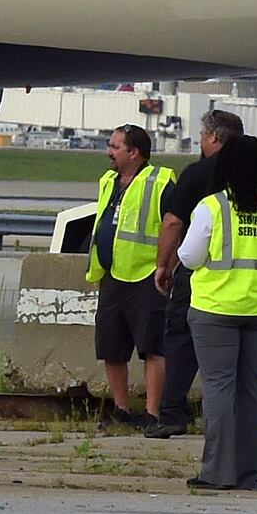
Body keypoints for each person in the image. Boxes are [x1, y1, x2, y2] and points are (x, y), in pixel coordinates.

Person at [171, 132, 257, 491]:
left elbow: (188, 256)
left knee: (219, 388)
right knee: (253, 390)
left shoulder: (213, 206)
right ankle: (249, 474)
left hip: (215, 308)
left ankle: (217, 472)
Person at [141, 109, 243, 439]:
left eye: (202, 135)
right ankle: (236, 416)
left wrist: (163, 265)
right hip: (249, 276)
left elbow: (173, 222)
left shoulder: (199, 173)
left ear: (214, 137)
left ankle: (172, 412)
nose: (200, 140)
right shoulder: (253, 176)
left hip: (200, 270)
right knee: (238, 349)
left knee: (180, 339)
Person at [87, 126, 176, 426]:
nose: (108, 152)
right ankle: (121, 410)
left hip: (146, 275)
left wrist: (167, 266)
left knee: (152, 346)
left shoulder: (160, 181)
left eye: (114, 147)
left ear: (134, 152)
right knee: (111, 346)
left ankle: (152, 413)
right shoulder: (109, 181)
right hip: (112, 273)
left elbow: (175, 225)